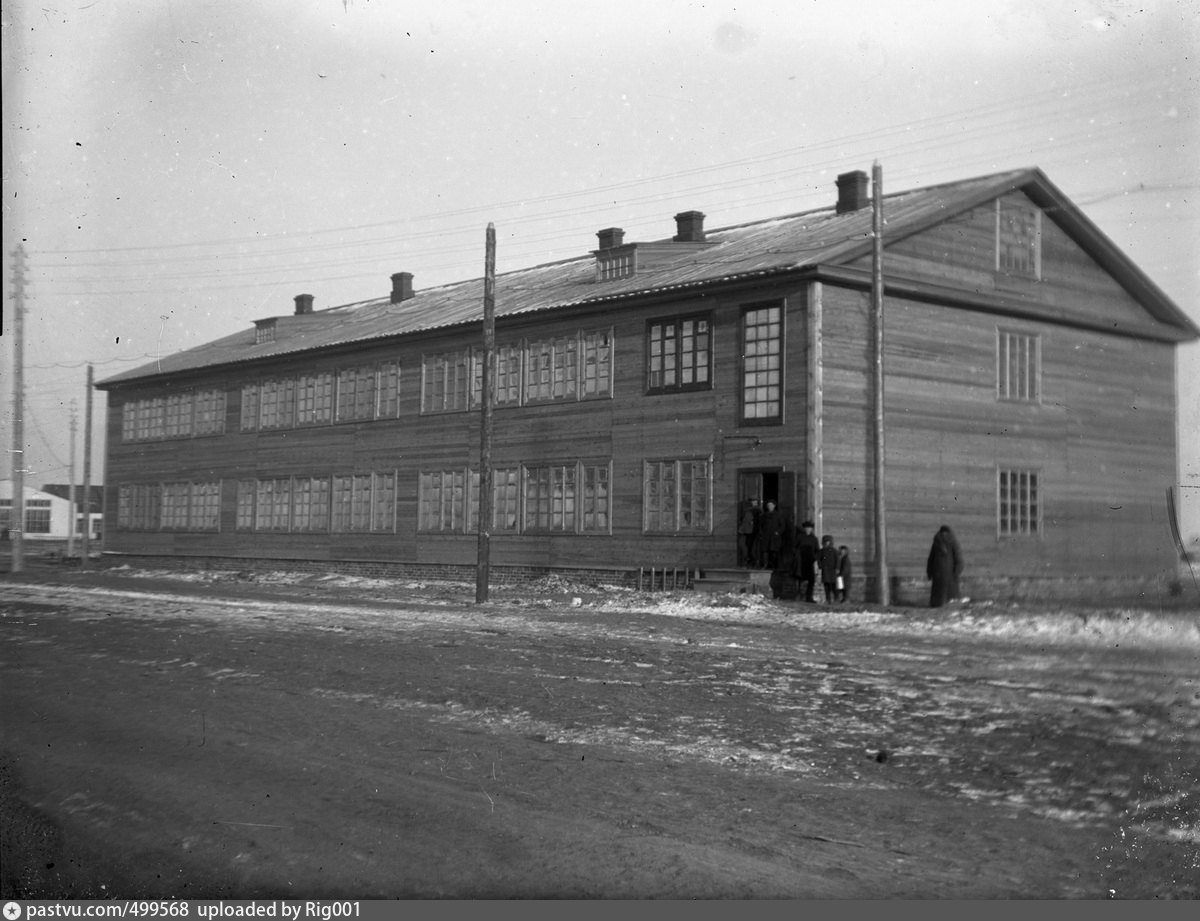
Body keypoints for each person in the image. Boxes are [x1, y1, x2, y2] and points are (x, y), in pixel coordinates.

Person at [926, 524, 964, 607]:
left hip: (937, 574)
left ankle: (937, 604)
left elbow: (931, 559)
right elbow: (959, 558)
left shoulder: (936, 541)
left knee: (938, 597)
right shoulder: (953, 541)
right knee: (951, 597)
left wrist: (929, 573)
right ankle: (950, 604)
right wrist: (957, 572)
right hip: (950, 574)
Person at [794, 519, 821, 602]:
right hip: (801, 561)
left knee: (811, 580)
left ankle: (809, 597)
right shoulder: (800, 537)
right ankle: (799, 595)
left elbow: (817, 550)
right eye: (806, 528)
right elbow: (794, 547)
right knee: (799, 578)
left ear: (812, 529)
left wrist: (814, 558)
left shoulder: (814, 539)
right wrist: (797, 555)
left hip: (810, 562)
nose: (808, 529)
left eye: (809, 528)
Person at [758, 500, 785, 570]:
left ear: (774, 506)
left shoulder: (778, 515)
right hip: (766, 535)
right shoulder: (764, 515)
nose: (769, 506)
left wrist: (778, 532)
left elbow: (782, 526)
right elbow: (760, 525)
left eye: (771, 505)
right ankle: (765, 564)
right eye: (768, 505)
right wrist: (761, 533)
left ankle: (774, 566)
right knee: (765, 550)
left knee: (774, 551)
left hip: (774, 536)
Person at [737, 498, 760, 568]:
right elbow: (743, 520)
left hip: (753, 531)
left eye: (755, 502)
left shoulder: (758, 510)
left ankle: (751, 561)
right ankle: (747, 559)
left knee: (752, 547)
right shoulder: (747, 510)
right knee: (743, 545)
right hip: (745, 531)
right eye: (753, 502)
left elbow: (759, 521)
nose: (754, 503)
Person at [817, 534, 840, 604]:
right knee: (826, 586)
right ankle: (828, 599)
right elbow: (818, 559)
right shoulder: (821, 551)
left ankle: (836, 598)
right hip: (825, 570)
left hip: (832, 570)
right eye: (825, 541)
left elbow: (837, 560)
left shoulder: (834, 551)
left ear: (830, 542)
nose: (827, 543)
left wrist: (837, 568)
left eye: (828, 541)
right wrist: (820, 566)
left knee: (834, 586)